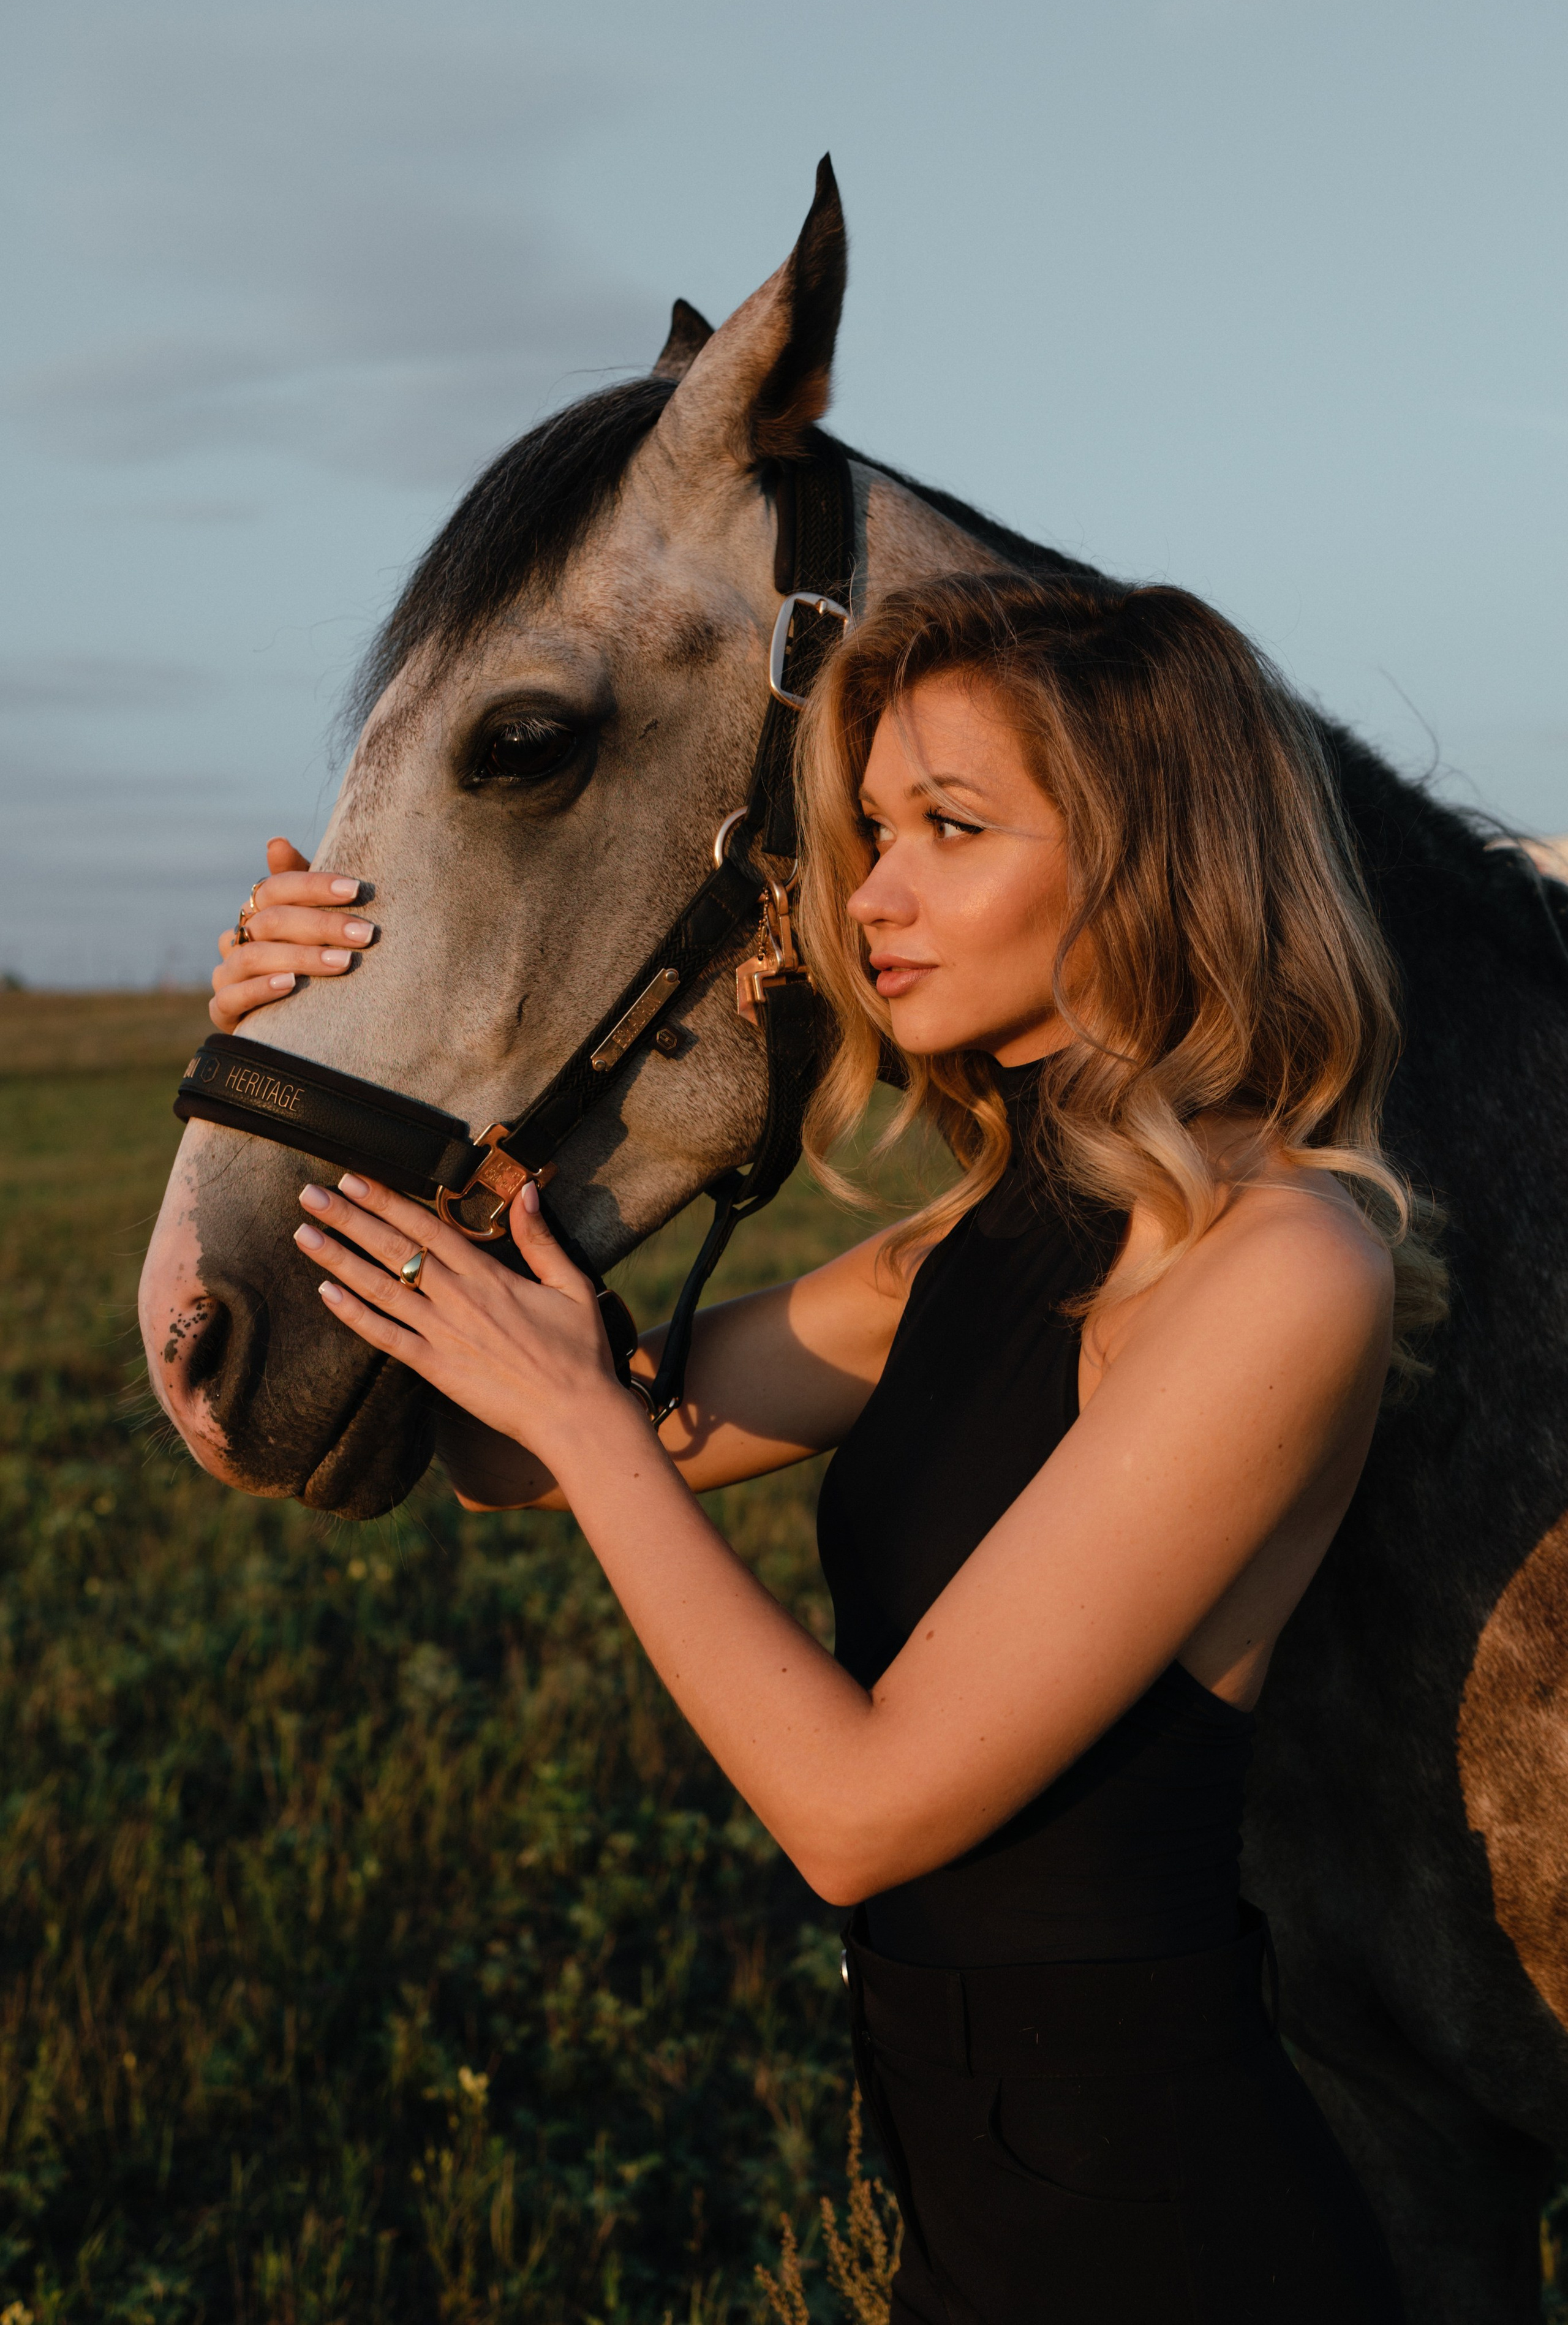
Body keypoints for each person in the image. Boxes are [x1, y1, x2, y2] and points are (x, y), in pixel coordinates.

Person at [214, 573, 1437, 2322]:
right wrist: (297, 1037)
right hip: (976, 2219)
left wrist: (582, 1411)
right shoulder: (953, 1253)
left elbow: (861, 1812)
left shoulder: (1286, 1269)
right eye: (874, 830)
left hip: (1171, 2241)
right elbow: (506, 1451)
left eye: (952, 826)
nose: (875, 897)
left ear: (1153, 856)